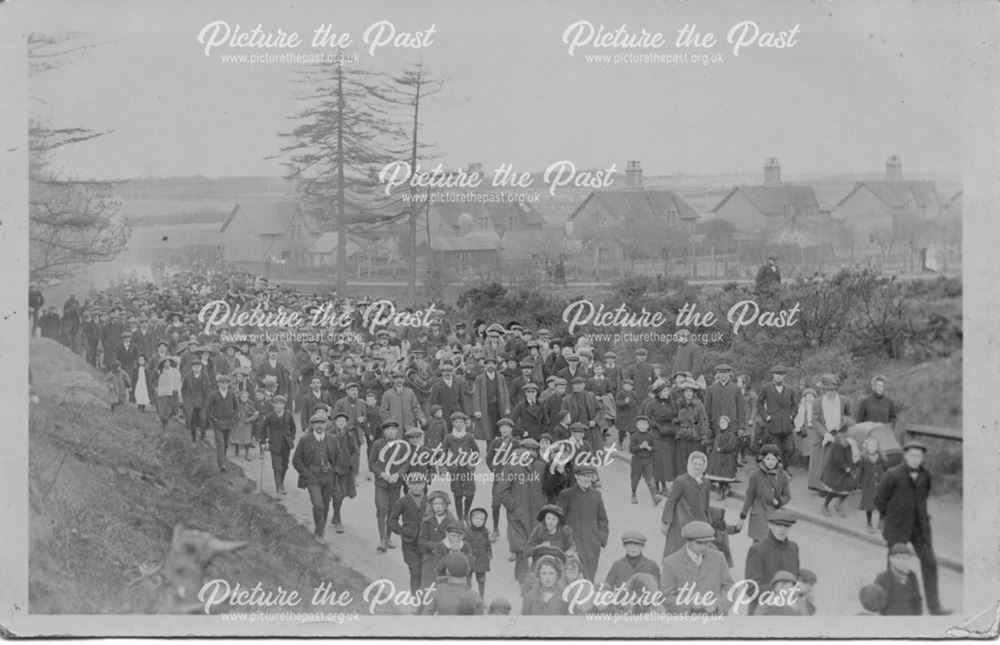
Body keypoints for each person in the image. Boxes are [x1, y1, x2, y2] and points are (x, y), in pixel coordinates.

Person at [874, 440, 951, 615]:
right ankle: (889, 607)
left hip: (919, 528)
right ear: (905, 456)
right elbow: (880, 500)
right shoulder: (892, 475)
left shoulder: (925, 476)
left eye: (919, 456)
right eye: (913, 455)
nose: (916, 459)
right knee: (894, 567)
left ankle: (934, 607)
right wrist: (890, 516)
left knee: (930, 563)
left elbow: (924, 496)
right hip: (898, 527)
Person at [496, 438, 547, 583]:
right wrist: (513, 506)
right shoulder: (511, 467)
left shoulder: (540, 467)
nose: (530, 453)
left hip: (537, 515)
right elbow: (502, 489)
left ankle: (536, 580)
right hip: (518, 515)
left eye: (534, 450)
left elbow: (546, 489)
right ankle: (522, 582)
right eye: (527, 449)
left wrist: (544, 505)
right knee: (521, 551)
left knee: (537, 549)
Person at [659, 520, 734, 615]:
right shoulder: (670, 563)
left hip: (715, 617)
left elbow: (730, 587)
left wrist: (718, 604)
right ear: (687, 541)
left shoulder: (719, 557)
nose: (703, 547)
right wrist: (690, 604)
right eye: (699, 543)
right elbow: (666, 596)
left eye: (707, 543)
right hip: (683, 621)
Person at [292, 409, 342, 537]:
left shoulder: (332, 439)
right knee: (318, 504)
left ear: (326, 425)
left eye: (322, 423)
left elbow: (339, 456)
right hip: (312, 477)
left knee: (325, 504)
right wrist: (306, 474)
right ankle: (319, 531)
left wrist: (334, 469)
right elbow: (296, 460)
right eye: (316, 423)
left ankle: (321, 528)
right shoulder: (305, 440)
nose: (319, 426)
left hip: (328, 477)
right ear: (312, 425)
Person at [557, 465, 609, 582]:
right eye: (583, 476)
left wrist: (601, 538)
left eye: (589, 476)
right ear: (576, 477)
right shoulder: (566, 494)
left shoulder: (596, 495)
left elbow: (602, 519)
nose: (587, 479)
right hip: (573, 545)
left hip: (592, 545)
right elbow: (559, 519)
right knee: (571, 578)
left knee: (589, 578)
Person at [744, 509, 800, 615]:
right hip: (764, 610)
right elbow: (752, 587)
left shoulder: (793, 548)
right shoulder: (757, 550)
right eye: (779, 525)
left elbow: (795, 579)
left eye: (787, 526)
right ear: (770, 525)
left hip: (789, 611)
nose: (782, 529)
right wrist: (778, 595)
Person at [805, 374, 853, 491]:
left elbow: (849, 416)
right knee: (823, 462)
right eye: (827, 390)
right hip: (824, 436)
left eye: (833, 390)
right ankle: (822, 487)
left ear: (836, 390)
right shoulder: (817, 402)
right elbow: (814, 420)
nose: (830, 393)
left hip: (839, 435)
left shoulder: (844, 401)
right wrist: (825, 433)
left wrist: (845, 425)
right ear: (823, 390)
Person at [660, 451, 711, 558]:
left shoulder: (706, 482)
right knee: (678, 551)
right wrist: (666, 521)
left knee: (697, 552)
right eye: (695, 464)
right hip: (682, 522)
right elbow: (671, 501)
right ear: (690, 464)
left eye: (700, 464)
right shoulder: (681, 481)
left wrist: (708, 522)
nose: (697, 467)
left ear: (704, 466)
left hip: (699, 521)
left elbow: (706, 504)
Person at [739, 444, 791, 543]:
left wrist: (779, 502)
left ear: (778, 460)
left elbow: (787, 496)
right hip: (758, 517)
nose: (770, 462)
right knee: (758, 547)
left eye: (773, 459)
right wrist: (743, 515)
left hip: (773, 516)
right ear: (762, 459)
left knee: (773, 547)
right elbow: (749, 497)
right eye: (767, 459)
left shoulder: (782, 475)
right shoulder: (755, 475)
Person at [370, 420, 408, 553]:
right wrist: (381, 474)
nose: (390, 432)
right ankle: (381, 540)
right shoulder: (377, 444)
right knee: (382, 509)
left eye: (393, 429)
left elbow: (406, 463)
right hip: (381, 483)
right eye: (387, 429)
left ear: (396, 431)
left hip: (395, 483)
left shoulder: (402, 445)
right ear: (384, 432)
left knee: (393, 510)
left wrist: (398, 475)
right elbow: (371, 463)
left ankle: (388, 537)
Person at [388, 470, 429, 593]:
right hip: (409, 542)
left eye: (419, 483)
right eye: (413, 483)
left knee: (425, 570)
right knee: (415, 570)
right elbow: (392, 519)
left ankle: (423, 598)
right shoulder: (403, 501)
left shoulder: (429, 501)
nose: (416, 486)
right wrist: (401, 531)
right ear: (408, 485)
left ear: (424, 485)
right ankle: (415, 599)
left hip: (425, 542)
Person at [756, 365, 798, 469]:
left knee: (789, 448)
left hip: (787, 425)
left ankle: (785, 468)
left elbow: (795, 404)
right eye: (776, 374)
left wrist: (792, 415)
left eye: (781, 375)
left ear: (784, 376)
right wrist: (766, 416)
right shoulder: (766, 388)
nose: (778, 377)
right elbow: (759, 403)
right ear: (773, 375)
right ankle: (780, 470)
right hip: (773, 425)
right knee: (776, 449)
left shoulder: (790, 389)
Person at [442, 411, 479, 521]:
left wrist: (472, 463)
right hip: (455, 469)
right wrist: (445, 466)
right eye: (456, 422)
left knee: (470, 493)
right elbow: (443, 453)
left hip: (467, 468)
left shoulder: (468, 437)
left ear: (464, 424)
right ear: (453, 424)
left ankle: (466, 513)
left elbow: (476, 451)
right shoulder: (448, 437)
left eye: (461, 422)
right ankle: (460, 518)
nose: (458, 424)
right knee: (457, 494)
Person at [487, 418, 518, 540]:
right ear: (499, 429)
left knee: (511, 506)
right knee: (495, 504)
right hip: (498, 478)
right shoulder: (495, 443)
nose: (504, 429)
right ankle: (495, 529)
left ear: (511, 429)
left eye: (507, 427)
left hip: (512, 479)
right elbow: (489, 458)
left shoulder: (516, 443)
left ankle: (513, 532)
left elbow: (520, 458)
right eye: (502, 427)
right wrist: (493, 469)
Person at [328, 411, 359, 532]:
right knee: (337, 494)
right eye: (339, 421)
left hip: (346, 470)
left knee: (342, 495)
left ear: (346, 423)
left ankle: (335, 516)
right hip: (333, 470)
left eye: (343, 421)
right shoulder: (330, 434)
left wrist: (351, 461)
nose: (341, 423)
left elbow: (355, 451)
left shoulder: (350, 435)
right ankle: (338, 520)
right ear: (335, 422)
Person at [418, 490, 455, 589]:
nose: (438, 507)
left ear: (446, 505)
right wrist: (436, 546)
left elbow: (456, 541)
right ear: (431, 506)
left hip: (446, 559)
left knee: (444, 589)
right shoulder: (427, 522)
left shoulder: (452, 522)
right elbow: (421, 542)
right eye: (435, 504)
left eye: (441, 504)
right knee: (428, 589)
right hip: (430, 559)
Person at [673, 379, 710, 478]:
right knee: (682, 459)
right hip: (682, 435)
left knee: (694, 458)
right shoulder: (678, 405)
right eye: (686, 391)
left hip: (695, 436)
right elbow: (674, 419)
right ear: (683, 393)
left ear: (694, 393)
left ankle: (695, 479)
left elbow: (704, 421)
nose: (688, 394)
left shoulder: (699, 405)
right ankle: (683, 481)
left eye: (690, 392)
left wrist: (704, 435)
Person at [873, 543, 923, 615]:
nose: (901, 561)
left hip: (910, 618)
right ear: (891, 558)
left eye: (904, 558)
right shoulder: (882, 577)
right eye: (898, 557)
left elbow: (917, 600)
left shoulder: (912, 576)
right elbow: (876, 602)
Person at [820, 425, 859, 517]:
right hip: (836, 472)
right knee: (835, 490)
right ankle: (825, 506)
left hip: (845, 470)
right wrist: (847, 468)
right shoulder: (838, 443)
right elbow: (838, 459)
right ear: (844, 432)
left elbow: (852, 455)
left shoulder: (850, 442)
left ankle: (839, 504)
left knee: (847, 489)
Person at [703, 364, 746, 445]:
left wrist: (741, 427)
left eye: (725, 372)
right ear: (717, 374)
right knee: (716, 449)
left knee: (732, 449)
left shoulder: (736, 389)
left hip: (732, 426)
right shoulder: (711, 389)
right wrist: (707, 426)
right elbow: (707, 409)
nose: (722, 375)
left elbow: (741, 409)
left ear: (729, 373)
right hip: (715, 426)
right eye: (720, 373)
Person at [262, 394, 295, 495]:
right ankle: (278, 487)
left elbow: (293, 427)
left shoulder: (288, 415)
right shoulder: (269, 417)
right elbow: (263, 430)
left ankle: (281, 484)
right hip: (274, 444)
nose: (279, 406)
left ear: (284, 405)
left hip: (286, 444)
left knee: (284, 465)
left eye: (281, 404)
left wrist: (291, 438)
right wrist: (263, 442)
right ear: (274, 405)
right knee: (277, 467)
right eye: (277, 404)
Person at [205, 374, 239, 472]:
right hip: (218, 423)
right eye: (222, 383)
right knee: (220, 443)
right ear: (218, 384)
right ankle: (222, 464)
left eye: (226, 383)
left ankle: (223, 458)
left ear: (229, 384)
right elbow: (207, 408)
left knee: (226, 443)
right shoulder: (214, 395)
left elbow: (237, 407)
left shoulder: (232, 394)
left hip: (228, 423)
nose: (224, 385)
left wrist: (233, 418)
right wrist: (214, 419)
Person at [473, 356, 511, 442]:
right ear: (485, 366)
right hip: (486, 407)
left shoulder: (500, 377)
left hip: (498, 407)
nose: (490, 366)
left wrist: (507, 407)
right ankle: (489, 450)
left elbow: (505, 393)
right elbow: (476, 395)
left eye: (492, 364)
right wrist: (477, 410)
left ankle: (499, 449)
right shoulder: (480, 378)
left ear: (496, 365)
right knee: (488, 429)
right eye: (488, 364)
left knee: (499, 427)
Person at [628, 415, 662, 505]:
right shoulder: (635, 436)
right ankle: (633, 494)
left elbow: (656, 448)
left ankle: (654, 496)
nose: (642, 426)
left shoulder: (650, 436)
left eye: (645, 424)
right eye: (640, 424)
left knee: (650, 479)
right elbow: (631, 449)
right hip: (637, 460)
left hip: (648, 460)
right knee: (635, 478)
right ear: (637, 425)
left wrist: (649, 447)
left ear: (648, 426)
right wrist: (640, 446)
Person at [857, 437, 888, 533]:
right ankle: (869, 523)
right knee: (869, 504)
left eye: (874, 445)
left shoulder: (882, 458)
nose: (872, 447)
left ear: (877, 447)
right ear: (866, 447)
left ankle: (881, 521)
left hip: (881, 484)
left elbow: (886, 470)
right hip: (868, 485)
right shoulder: (863, 458)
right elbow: (860, 471)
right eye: (869, 445)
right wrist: (858, 483)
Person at [706, 415, 739, 500]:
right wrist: (709, 443)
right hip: (717, 458)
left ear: (728, 423)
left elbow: (730, 446)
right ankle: (724, 489)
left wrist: (721, 449)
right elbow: (716, 442)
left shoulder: (731, 434)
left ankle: (723, 491)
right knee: (719, 475)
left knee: (723, 476)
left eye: (724, 422)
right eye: (721, 422)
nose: (722, 424)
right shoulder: (719, 434)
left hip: (726, 458)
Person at [465, 507, 493, 599]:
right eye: (476, 518)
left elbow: (488, 545)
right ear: (471, 519)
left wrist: (489, 555)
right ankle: (469, 597)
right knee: (467, 579)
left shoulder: (485, 532)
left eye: (481, 519)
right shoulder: (466, 532)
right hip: (468, 559)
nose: (478, 521)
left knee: (481, 580)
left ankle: (481, 598)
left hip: (481, 560)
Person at [182, 359, 212, 445]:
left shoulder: (205, 376)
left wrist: (206, 402)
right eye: (195, 366)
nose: (197, 368)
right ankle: (193, 439)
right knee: (192, 422)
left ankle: (202, 439)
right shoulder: (187, 376)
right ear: (191, 367)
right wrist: (186, 400)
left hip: (202, 402)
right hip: (191, 403)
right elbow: (183, 389)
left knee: (203, 420)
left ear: (201, 367)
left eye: (198, 366)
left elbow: (208, 390)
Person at [155, 356, 181, 430]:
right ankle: (164, 424)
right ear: (162, 364)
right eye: (165, 362)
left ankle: (166, 424)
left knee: (170, 409)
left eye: (169, 362)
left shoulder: (174, 371)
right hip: (162, 393)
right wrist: (155, 387)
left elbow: (177, 380)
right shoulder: (159, 371)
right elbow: (153, 380)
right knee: (162, 409)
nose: (167, 363)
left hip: (171, 392)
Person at [230, 388, 257, 461]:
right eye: (242, 397)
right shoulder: (237, 404)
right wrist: (234, 418)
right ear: (240, 397)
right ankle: (236, 449)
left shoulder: (250, 405)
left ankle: (247, 454)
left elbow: (255, 414)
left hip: (247, 424)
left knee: (247, 439)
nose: (244, 398)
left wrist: (250, 419)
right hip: (238, 423)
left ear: (248, 397)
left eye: (246, 397)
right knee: (237, 437)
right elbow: (233, 412)